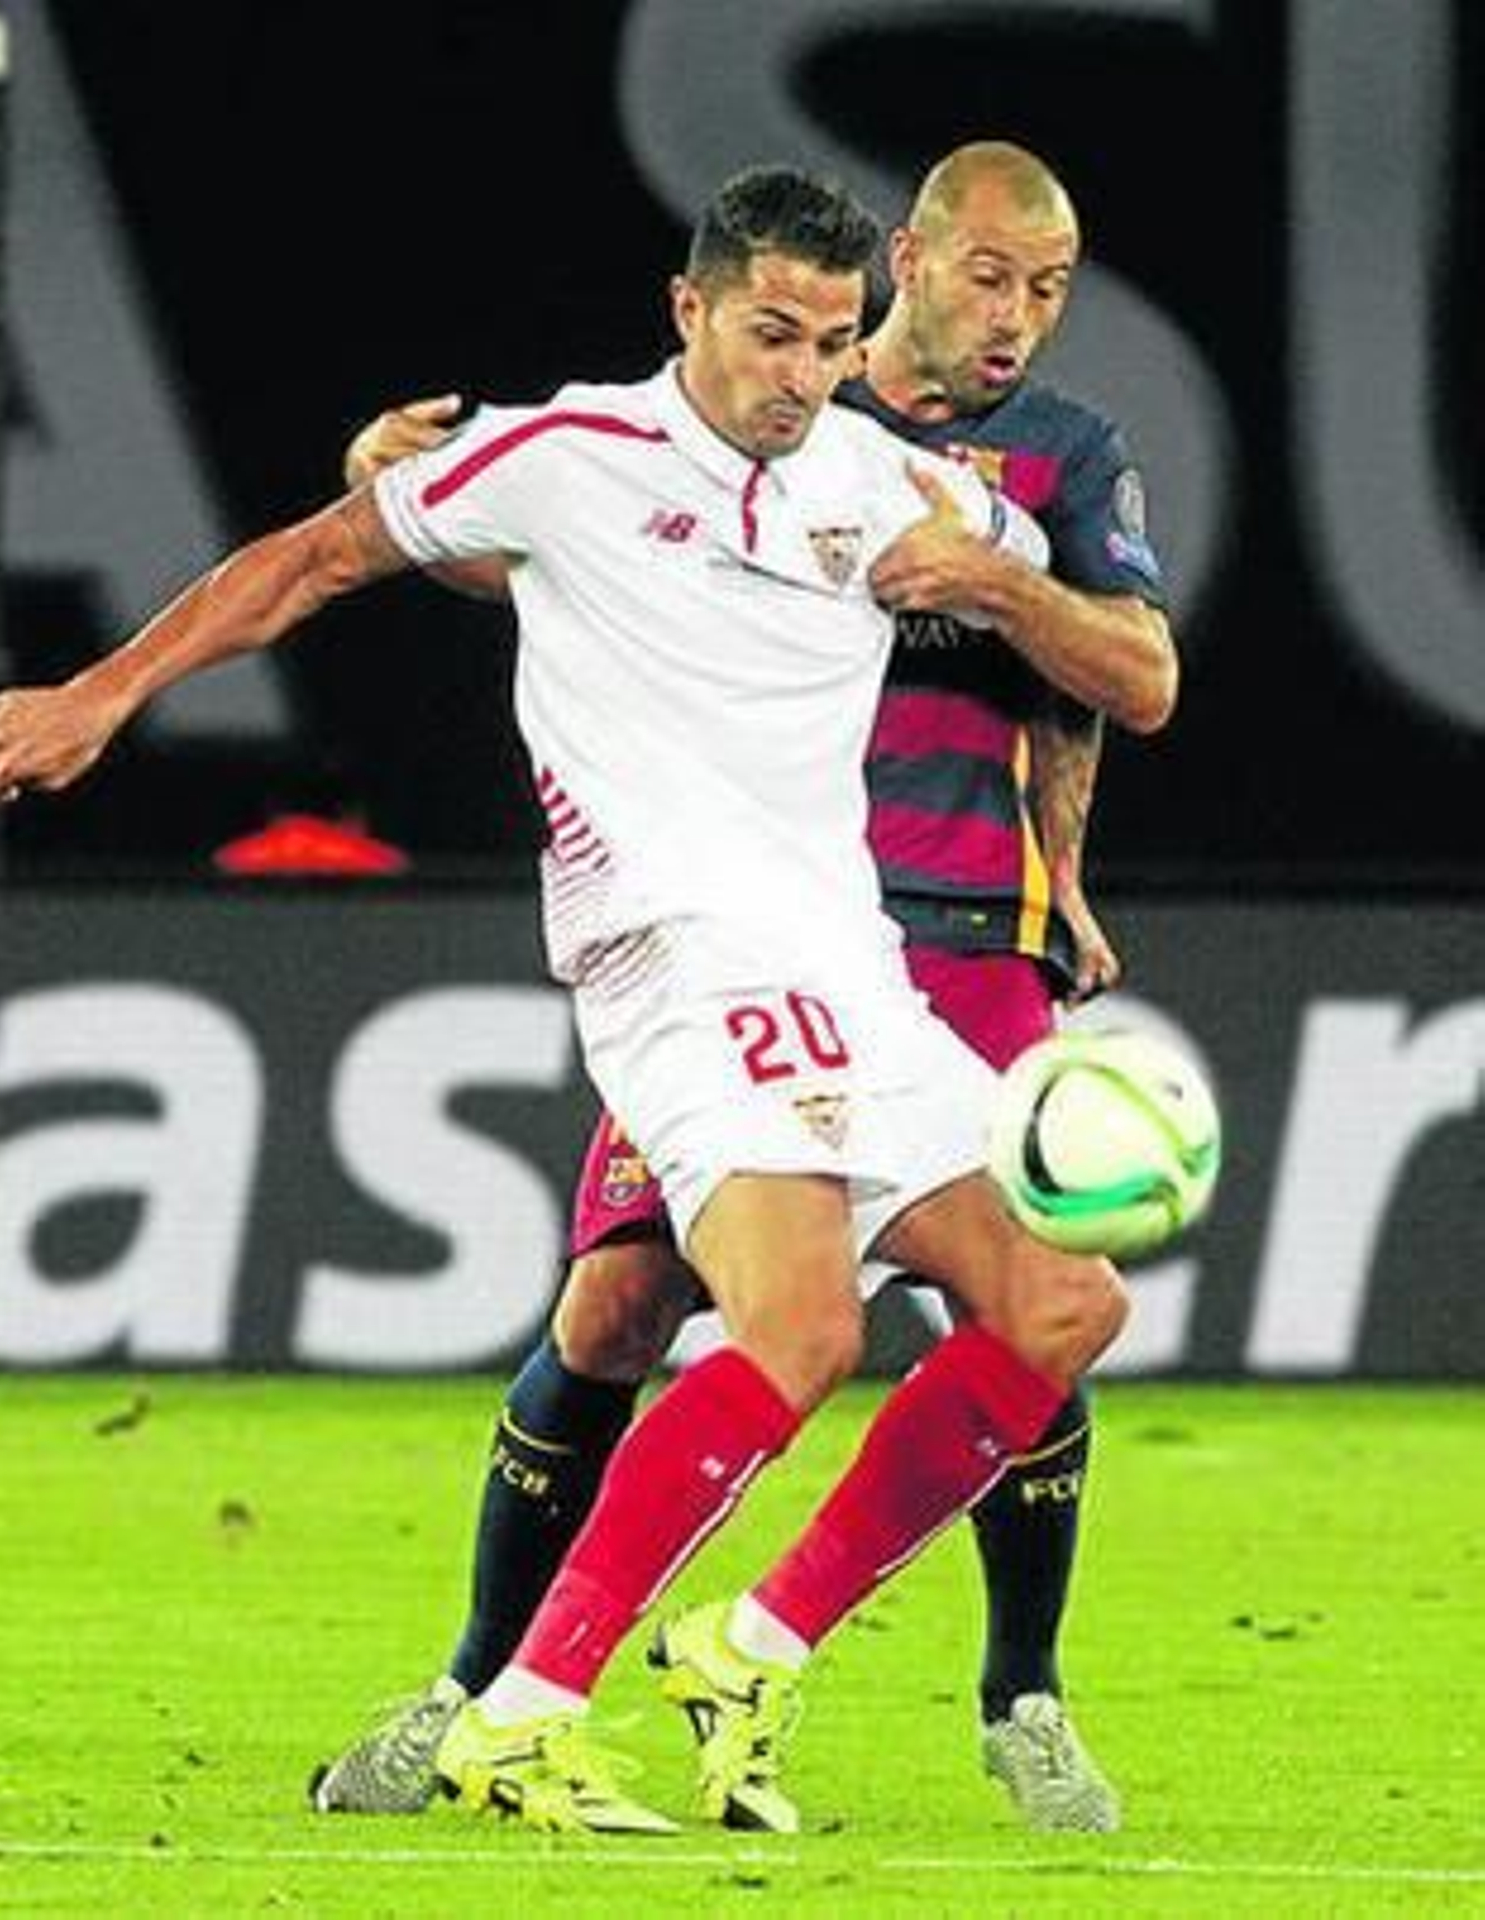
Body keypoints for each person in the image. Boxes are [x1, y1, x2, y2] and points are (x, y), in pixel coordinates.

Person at [0, 164, 1138, 1838]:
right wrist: (100, 694)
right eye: (770, 334)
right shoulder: (569, 453)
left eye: (828, 341)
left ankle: (753, 1639)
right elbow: (314, 561)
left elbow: (1106, 654)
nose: (800, 375)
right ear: (692, 312)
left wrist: (1010, 585)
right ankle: (520, 1708)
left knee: (1062, 1307)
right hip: (674, 953)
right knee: (787, 1324)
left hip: (852, 967)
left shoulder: (881, 483)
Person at [311, 141, 1174, 1833]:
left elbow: (1135, 675)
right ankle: (487, 1683)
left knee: (1034, 1313)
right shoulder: (741, 410)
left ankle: (1020, 1692)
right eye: (990, 278)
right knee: (618, 1309)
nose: (1017, 321)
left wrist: (1006, 601)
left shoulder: (1060, 459)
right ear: (906, 268)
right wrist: (397, 499)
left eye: (1050, 288)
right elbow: (543, 542)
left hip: (960, 937)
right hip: (742, 934)